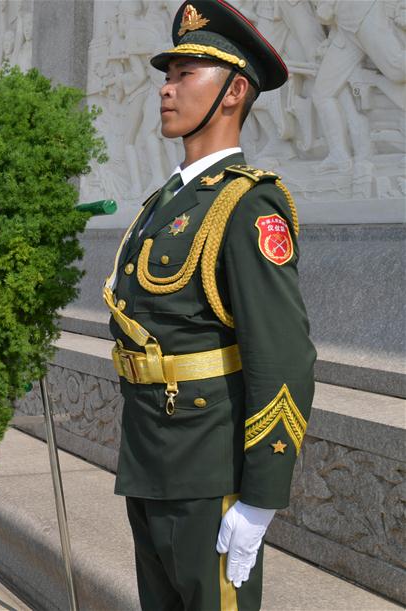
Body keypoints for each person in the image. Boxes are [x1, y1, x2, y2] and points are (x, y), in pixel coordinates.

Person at [103, 1, 315, 608]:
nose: (166, 89)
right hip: (151, 453)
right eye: (167, 75)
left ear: (234, 91)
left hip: (208, 465)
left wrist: (261, 498)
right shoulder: (166, 201)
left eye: (185, 74)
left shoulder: (248, 204)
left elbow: (283, 355)